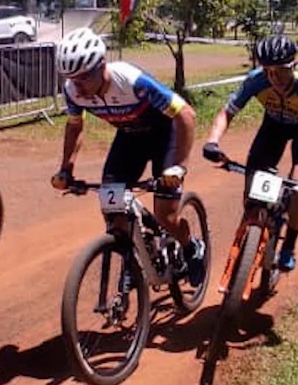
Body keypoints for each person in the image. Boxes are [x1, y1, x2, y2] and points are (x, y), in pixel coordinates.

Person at [48, 27, 205, 284]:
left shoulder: (132, 81)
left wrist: (180, 167)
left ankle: (190, 247)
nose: (77, 86)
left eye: (83, 78)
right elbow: (75, 125)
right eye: (71, 78)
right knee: (113, 209)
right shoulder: (73, 90)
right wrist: (66, 169)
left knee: (166, 216)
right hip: (130, 137)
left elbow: (186, 114)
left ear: (101, 65)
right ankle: (130, 260)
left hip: (165, 135)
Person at [202, 34, 298, 273]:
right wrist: (213, 141)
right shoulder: (256, 81)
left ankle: (289, 246)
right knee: (252, 181)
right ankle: (251, 227)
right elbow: (227, 113)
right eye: (266, 70)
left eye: (279, 71)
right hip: (273, 125)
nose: (272, 77)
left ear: (294, 67)